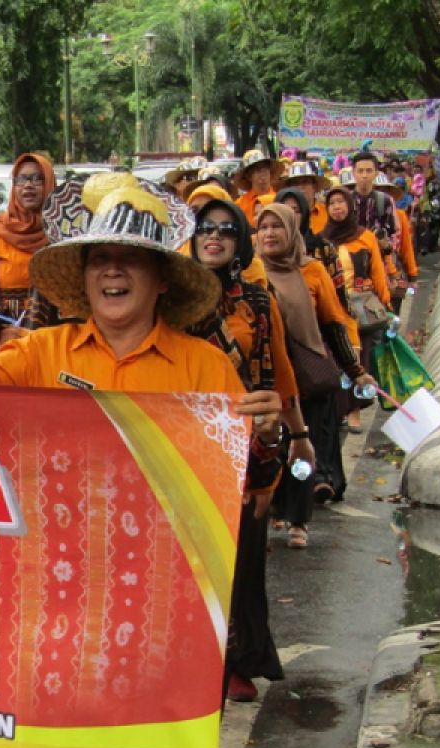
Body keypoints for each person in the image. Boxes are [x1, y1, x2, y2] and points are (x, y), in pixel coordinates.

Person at [0, 186, 280, 748]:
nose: (113, 269)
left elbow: (248, 491)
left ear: (162, 279)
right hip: (62, 616)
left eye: (132, 257)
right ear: (86, 276)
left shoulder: (205, 368)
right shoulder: (41, 354)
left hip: (170, 621)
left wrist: (267, 437)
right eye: (100, 258)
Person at [188, 199, 304, 703]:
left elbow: (279, 373)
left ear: (240, 240)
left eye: (225, 230)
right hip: (185, 440)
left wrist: (295, 436)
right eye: (204, 229)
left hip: (248, 442)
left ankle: (237, 662)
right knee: (190, 561)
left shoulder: (257, 302)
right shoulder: (169, 299)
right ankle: (193, 662)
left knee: (243, 558)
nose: (213, 237)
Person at [259, 204, 373, 549]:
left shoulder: (312, 270)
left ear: (293, 231)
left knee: (301, 450)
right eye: (262, 227)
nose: (268, 234)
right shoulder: (249, 272)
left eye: (276, 227)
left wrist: (356, 372)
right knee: (267, 448)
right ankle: (272, 510)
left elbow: (332, 323)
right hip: (265, 377)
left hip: (307, 376)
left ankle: (299, 520)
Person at [320, 186, 390, 433]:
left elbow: (378, 272)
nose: (337, 207)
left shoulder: (364, 236)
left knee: (359, 359)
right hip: (333, 309)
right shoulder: (323, 238)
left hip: (360, 310)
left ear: (350, 206)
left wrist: (385, 303)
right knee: (336, 360)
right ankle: (341, 408)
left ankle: (355, 410)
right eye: (332, 203)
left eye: (341, 202)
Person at [0, 153, 56, 323]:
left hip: (56, 335)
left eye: (37, 179)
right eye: (22, 179)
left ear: (49, 183)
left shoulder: (62, 231)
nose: (28, 185)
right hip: (8, 333)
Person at [275, 162, 331, 234]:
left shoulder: (328, 212)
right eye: (295, 183)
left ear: (314, 186)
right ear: (288, 188)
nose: (300, 187)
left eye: (305, 182)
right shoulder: (281, 214)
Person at [234, 150, 283, 225]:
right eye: (258, 170)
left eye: (265, 169)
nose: (263, 174)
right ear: (249, 176)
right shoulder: (240, 204)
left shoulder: (280, 199)